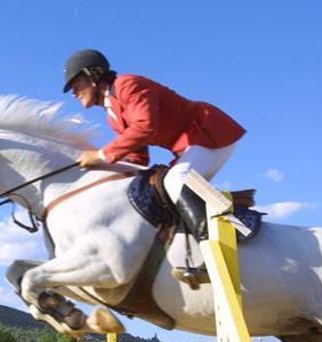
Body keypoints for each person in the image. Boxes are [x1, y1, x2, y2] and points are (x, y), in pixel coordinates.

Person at [62, 48, 246, 247]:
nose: (74, 92)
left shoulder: (127, 85)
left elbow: (146, 126)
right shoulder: (113, 116)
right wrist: (99, 169)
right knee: (161, 189)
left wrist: (101, 155)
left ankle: (224, 239)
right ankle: (229, 225)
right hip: (190, 146)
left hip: (209, 133)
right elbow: (138, 158)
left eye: (76, 83)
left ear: (93, 74)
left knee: (178, 179)